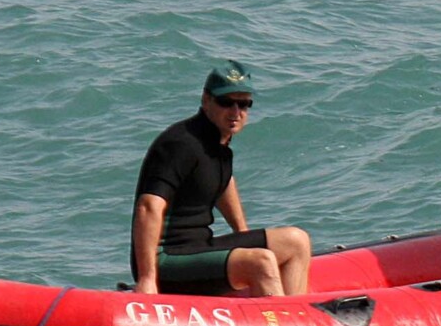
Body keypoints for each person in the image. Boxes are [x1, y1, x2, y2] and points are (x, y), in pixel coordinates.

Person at [131, 60, 311, 296]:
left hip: (200, 246)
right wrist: (147, 279)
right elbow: (148, 207)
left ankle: (296, 317)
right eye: (227, 102)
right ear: (206, 100)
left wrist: (242, 234)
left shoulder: (218, 142)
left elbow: (222, 182)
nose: (236, 113)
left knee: (297, 241)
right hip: (167, 257)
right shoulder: (180, 144)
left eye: (244, 104)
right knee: (260, 261)